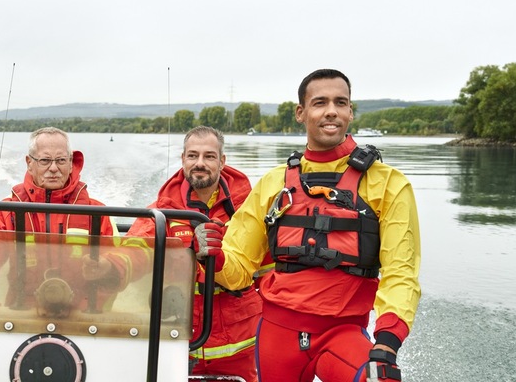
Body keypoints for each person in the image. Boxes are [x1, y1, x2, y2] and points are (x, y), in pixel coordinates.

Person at [197, 69, 421, 381]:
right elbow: (237, 270)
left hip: (342, 332)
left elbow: (402, 274)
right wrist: (215, 256)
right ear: (301, 113)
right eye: (320, 103)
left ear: (350, 111)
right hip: (277, 334)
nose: (331, 111)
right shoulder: (274, 184)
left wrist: (387, 342)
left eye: (340, 102)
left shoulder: (389, 185)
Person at [126, 126, 261, 382]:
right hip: (177, 338)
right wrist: (113, 268)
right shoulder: (161, 212)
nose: (200, 163)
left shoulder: (248, 210)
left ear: (222, 161)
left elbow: (267, 272)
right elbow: (134, 251)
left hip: (240, 344)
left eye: (209, 156)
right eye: (192, 156)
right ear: (183, 159)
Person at [0, 127, 126, 314]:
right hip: (21, 314)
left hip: (82, 318)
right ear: (29, 163)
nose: (54, 168)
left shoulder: (98, 215)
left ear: (71, 163)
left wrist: (83, 313)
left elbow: (115, 269)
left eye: (61, 160)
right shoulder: (5, 212)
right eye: (45, 160)